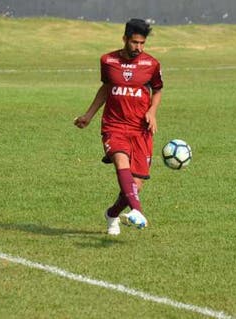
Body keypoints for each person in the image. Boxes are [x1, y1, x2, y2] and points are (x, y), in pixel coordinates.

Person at [74, 18, 163, 236]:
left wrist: (152, 112)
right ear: (124, 39)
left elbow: (158, 90)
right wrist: (89, 115)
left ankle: (112, 213)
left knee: (136, 185)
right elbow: (106, 87)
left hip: (140, 129)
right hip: (114, 125)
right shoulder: (108, 61)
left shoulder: (151, 64)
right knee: (120, 160)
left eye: (142, 43)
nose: (138, 48)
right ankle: (138, 210)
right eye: (134, 42)